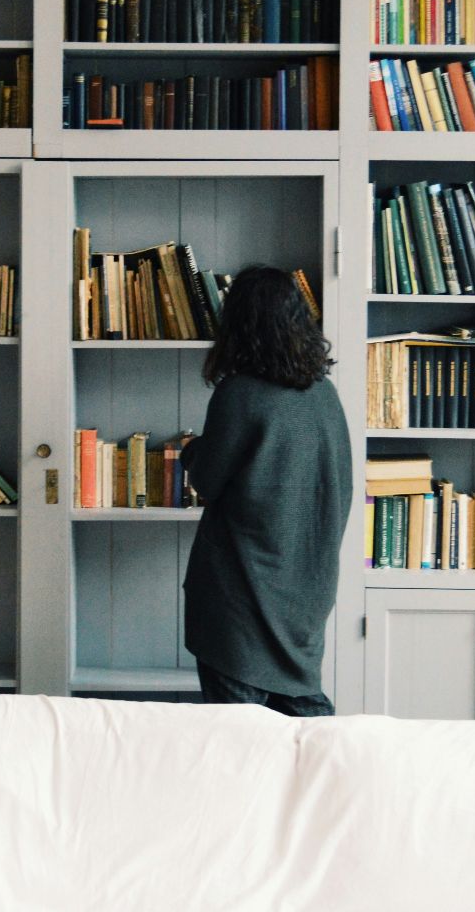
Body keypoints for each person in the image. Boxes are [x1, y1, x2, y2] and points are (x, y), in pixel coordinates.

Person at [180, 265, 351, 717]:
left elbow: (206, 481)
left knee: (241, 739)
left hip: (240, 591)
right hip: (307, 587)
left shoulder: (239, 394)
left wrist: (191, 451)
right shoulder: (324, 394)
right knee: (306, 728)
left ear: (239, 325)